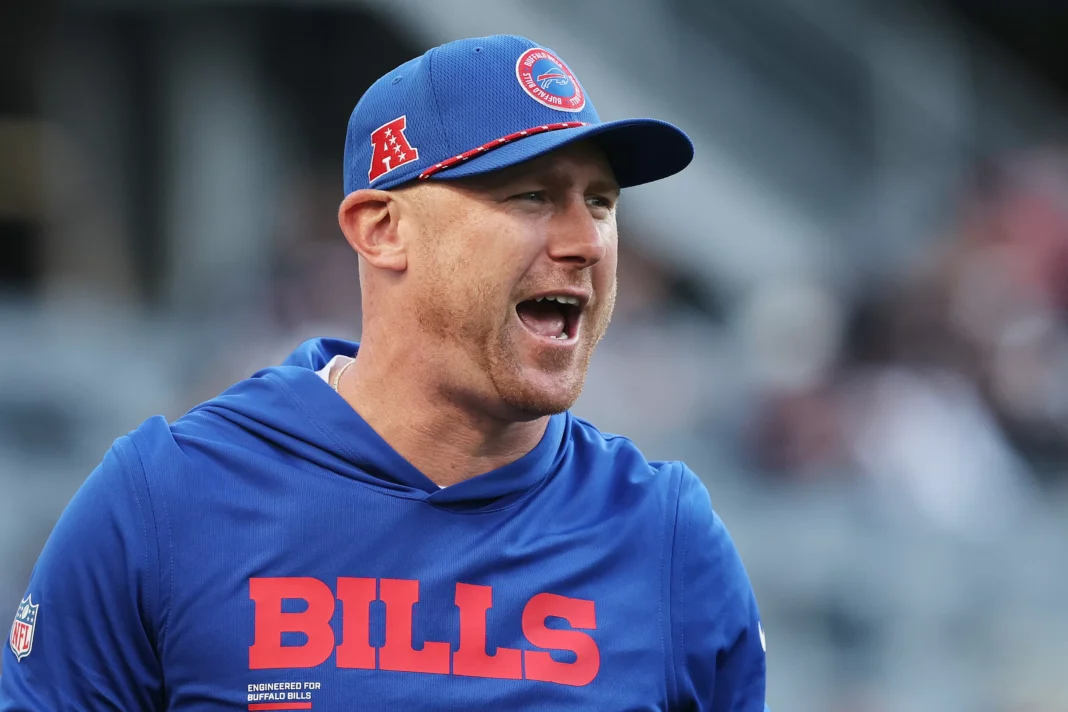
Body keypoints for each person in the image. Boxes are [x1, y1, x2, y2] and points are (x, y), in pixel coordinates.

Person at [1, 35, 769, 711]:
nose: (587, 242)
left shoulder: (668, 539)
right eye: (532, 195)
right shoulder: (167, 501)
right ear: (381, 230)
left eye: (600, 202)